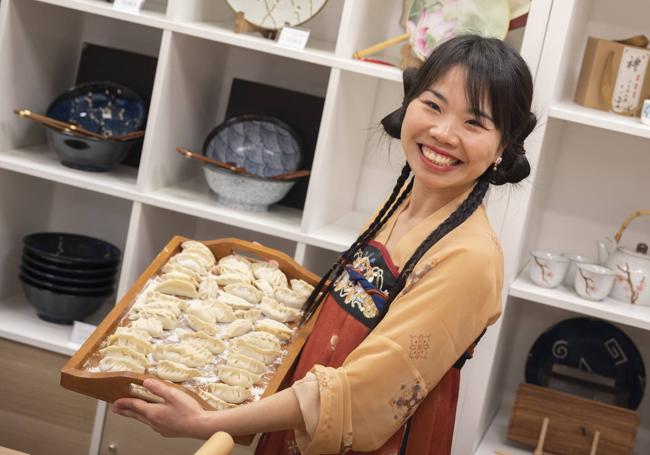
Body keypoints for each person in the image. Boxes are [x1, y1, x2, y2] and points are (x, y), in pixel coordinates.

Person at [112, 34, 536, 455]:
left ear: (503, 146)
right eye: (433, 105)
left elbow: (363, 392)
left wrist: (207, 423)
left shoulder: (471, 258)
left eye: (474, 122)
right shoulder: (404, 204)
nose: (443, 133)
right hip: (300, 417)